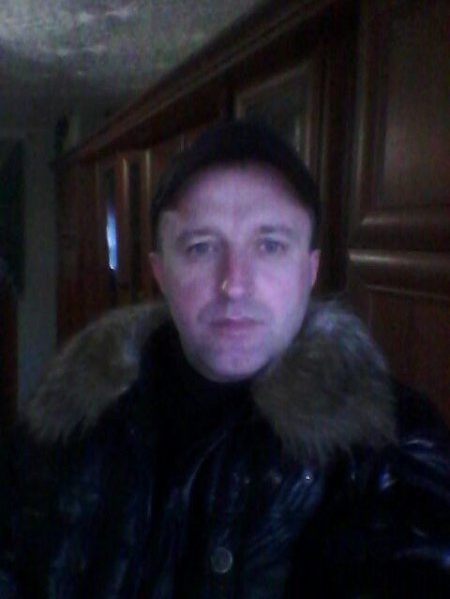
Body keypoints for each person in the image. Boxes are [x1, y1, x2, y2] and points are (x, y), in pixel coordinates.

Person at [1, 120, 449, 598]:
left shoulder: (390, 441)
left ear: (309, 270)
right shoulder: (67, 420)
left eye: (270, 245)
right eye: (201, 247)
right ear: (160, 272)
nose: (234, 283)